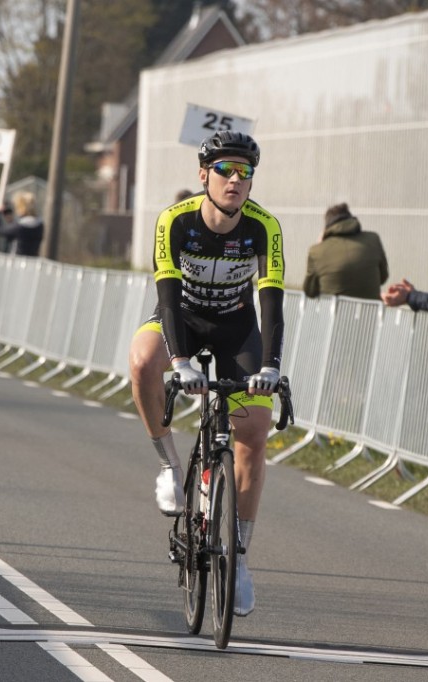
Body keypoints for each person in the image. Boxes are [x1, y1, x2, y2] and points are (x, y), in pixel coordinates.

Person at [128, 130, 284, 617]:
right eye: (224, 170)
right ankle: (171, 467)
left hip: (237, 328)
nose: (235, 180)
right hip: (184, 320)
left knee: (254, 433)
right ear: (204, 176)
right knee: (141, 361)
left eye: (245, 172)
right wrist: (180, 364)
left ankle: (237, 558)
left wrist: (271, 368)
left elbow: (271, 303)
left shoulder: (265, 227)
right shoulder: (175, 221)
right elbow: (169, 297)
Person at [302, 202, 388, 300]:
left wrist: (320, 244)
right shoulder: (373, 239)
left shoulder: (316, 251)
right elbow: (383, 278)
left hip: (334, 314)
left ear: (327, 227)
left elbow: (310, 291)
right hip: (370, 313)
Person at [0, 191, 42, 257]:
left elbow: (1, 230)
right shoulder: (39, 225)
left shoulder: (21, 226)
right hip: (32, 261)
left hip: (17, 261)